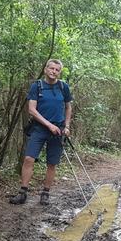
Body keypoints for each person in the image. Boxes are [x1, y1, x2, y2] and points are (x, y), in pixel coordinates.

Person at [9, 59, 73, 205]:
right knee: (29, 159)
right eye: (51, 68)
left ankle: (45, 193)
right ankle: (23, 192)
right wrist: (48, 125)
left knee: (52, 163)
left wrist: (67, 126)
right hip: (39, 129)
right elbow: (32, 110)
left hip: (58, 131)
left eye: (57, 70)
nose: (54, 72)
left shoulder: (63, 87)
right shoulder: (37, 86)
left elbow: (68, 107)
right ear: (45, 69)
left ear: (59, 72)